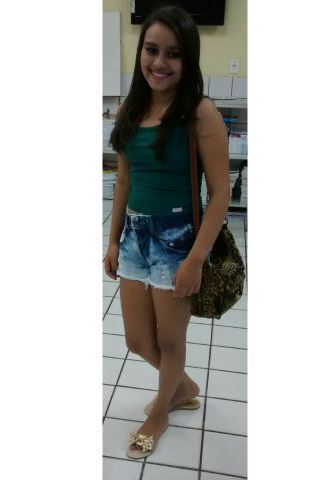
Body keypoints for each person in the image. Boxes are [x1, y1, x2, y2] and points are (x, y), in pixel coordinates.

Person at [104, 5, 230, 459]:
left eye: (173, 54)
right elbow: (124, 182)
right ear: (141, 51)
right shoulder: (130, 110)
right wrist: (113, 239)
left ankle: (161, 410)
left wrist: (195, 258)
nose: (159, 62)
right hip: (135, 237)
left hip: (177, 240)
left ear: (188, 59)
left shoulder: (199, 112)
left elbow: (220, 194)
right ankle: (183, 386)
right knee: (137, 340)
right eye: (152, 50)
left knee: (171, 339)